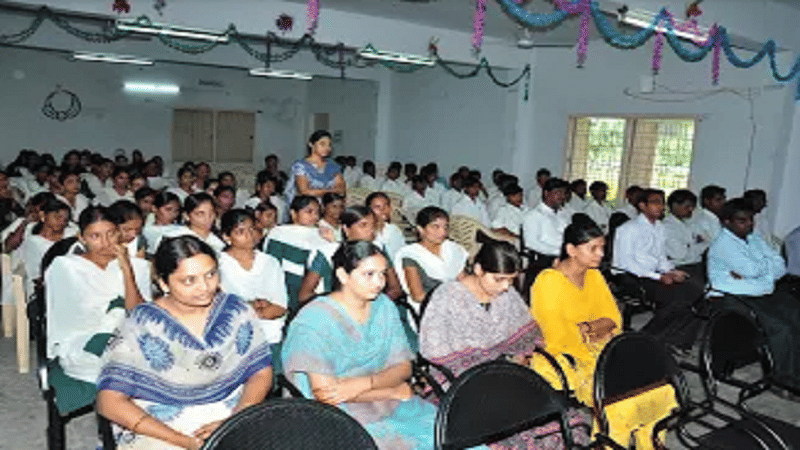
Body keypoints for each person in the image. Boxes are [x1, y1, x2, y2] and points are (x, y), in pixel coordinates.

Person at [97, 235, 273, 450]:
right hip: (162, 422)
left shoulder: (236, 311)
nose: (204, 287)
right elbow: (109, 401)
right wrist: (184, 441)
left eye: (210, 274)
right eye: (189, 280)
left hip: (232, 410)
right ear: (163, 283)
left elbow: (261, 371)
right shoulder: (141, 323)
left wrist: (235, 419)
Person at [420, 241, 592, 448]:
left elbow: (527, 333)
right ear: (478, 269)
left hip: (505, 372)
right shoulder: (447, 297)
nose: (505, 287)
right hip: (461, 378)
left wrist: (518, 358)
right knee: (507, 432)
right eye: (498, 279)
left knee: (565, 422)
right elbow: (434, 349)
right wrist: (491, 367)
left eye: (511, 280)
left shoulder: (507, 295)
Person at [282, 241, 436, 450]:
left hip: (385, 402)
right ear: (343, 275)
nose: (379, 282)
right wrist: (391, 391)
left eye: (382, 274)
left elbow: (403, 368)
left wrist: (364, 383)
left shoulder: (384, 306)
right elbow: (325, 396)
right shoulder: (313, 320)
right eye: (369, 274)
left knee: (447, 434)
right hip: (335, 415)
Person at [44, 206, 150, 415]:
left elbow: (139, 315)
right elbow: (70, 320)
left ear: (119, 233)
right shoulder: (66, 267)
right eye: (95, 236)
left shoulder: (139, 266)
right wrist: (113, 315)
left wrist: (127, 270)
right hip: (84, 345)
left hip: (129, 341)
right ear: (81, 238)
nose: (105, 242)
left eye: (111, 234)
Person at [707, 198, 800, 391]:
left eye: (751, 219)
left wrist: (760, 272)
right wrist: (765, 270)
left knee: (794, 311)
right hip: (730, 294)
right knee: (781, 327)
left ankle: (795, 368)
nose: (749, 224)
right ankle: (783, 381)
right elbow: (753, 269)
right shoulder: (723, 245)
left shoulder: (753, 238)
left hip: (757, 290)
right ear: (727, 222)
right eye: (742, 221)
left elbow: (780, 266)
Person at [530, 216, 622, 406]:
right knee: (618, 393)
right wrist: (599, 330)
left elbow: (614, 319)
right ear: (571, 250)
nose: (601, 254)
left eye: (602, 248)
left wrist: (585, 329)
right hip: (563, 356)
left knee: (648, 381)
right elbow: (556, 336)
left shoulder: (594, 275)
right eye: (593, 248)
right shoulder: (548, 281)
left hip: (598, 347)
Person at [612, 188, 704, 350]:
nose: (661, 206)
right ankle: (646, 338)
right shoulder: (628, 229)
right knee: (677, 297)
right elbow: (626, 263)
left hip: (652, 273)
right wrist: (658, 277)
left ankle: (677, 341)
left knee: (698, 290)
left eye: (662, 202)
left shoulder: (659, 227)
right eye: (655, 202)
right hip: (631, 276)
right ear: (642, 206)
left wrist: (671, 271)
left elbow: (661, 257)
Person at [298, 206, 404, 303]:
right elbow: (304, 295)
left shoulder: (378, 250)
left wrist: (375, 305)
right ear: (346, 229)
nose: (370, 230)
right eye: (363, 225)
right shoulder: (328, 253)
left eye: (373, 225)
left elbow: (395, 288)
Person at [219, 209, 288, 347]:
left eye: (252, 229)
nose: (249, 235)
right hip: (231, 338)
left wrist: (244, 310)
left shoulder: (270, 262)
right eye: (240, 231)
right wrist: (253, 307)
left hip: (269, 335)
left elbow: (280, 307)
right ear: (226, 237)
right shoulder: (218, 264)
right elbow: (220, 310)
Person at [262, 195, 329, 314]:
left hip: (307, 292)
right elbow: (271, 264)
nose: (314, 216)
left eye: (317, 213)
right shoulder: (278, 234)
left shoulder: (321, 236)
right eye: (309, 212)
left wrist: (329, 240)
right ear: (293, 213)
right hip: (281, 287)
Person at [394, 206, 468, 310]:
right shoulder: (411, 255)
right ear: (421, 229)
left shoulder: (453, 249)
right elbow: (418, 296)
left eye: (445, 227)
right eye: (435, 227)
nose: (443, 232)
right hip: (430, 308)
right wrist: (449, 301)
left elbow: (464, 282)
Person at [22, 197, 76, 290]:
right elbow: (36, 275)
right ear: (43, 216)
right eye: (57, 217)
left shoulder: (72, 234)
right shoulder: (34, 242)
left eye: (65, 219)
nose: (61, 222)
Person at [285, 130, 345, 204]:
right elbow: (304, 191)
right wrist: (331, 191)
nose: (327, 148)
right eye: (322, 144)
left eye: (329, 145)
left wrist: (319, 192)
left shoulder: (333, 165)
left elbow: (341, 189)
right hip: (307, 206)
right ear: (311, 144)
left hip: (328, 206)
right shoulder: (300, 165)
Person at [663, 189, 707, 279]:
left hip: (696, 265)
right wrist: (698, 246)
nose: (691, 209)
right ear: (674, 205)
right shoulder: (667, 227)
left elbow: (706, 241)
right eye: (687, 206)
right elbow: (680, 255)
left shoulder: (691, 223)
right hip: (679, 268)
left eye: (693, 206)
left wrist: (691, 246)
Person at [366, 192, 406, 260]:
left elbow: (402, 254)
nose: (382, 209)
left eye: (386, 205)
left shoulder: (394, 230)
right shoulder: (365, 231)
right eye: (377, 207)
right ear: (368, 210)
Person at [142, 191, 182, 256]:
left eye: (176, 210)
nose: (173, 214)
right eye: (168, 209)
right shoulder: (145, 230)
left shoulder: (182, 230)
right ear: (154, 208)